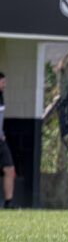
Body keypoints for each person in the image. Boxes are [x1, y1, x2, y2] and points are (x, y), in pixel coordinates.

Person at [0, 72, 16, 209]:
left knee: (9, 169)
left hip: (1, 140)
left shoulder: (1, 96)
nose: (4, 85)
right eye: (2, 82)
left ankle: (8, 203)